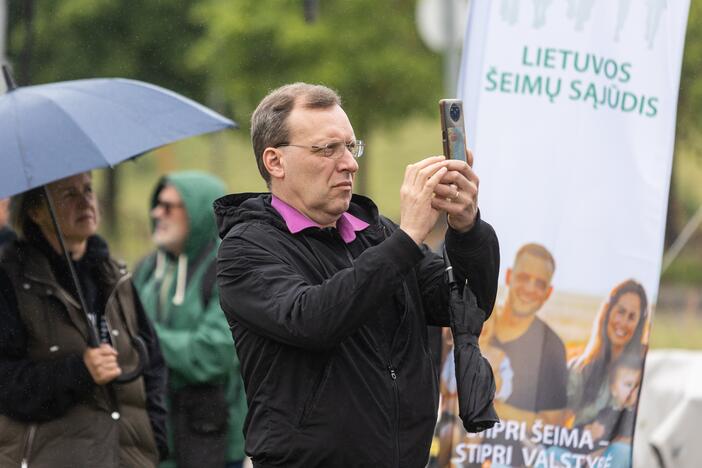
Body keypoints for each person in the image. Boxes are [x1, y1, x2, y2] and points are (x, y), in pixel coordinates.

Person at [214, 82, 500, 467]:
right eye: (326, 149)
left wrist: (467, 229)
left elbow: (466, 304)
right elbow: (313, 320)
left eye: (350, 147)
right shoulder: (245, 247)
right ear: (275, 161)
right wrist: (409, 236)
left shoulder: (375, 233)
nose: (349, 163)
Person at [0, 172, 168, 467]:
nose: (85, 201)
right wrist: (79, 370)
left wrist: (155, 438)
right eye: (69, 194)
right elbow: (6, 384)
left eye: (88, 190)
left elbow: (151, 362)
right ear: (36, 211)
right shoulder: (10, 279)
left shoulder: (114, 275)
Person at [133, 171, 247, 468]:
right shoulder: (147, 270)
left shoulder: (227, 269)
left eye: (169, 206)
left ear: (198, 212)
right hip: (156, 443)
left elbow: (213, 353)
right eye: (157, 204)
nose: (157, 213)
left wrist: (144, 340)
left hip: (213, 445)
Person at [491, 243, 568, 427]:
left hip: (516, 452)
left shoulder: (552, 347)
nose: (529, 288)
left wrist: (493, 409)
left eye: (540, 283)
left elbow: (551, 424)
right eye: (523, 277)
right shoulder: (478, 323)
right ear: (509, 277)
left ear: (548, 293)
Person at [568, 279, 649, 427]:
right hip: (580, 445)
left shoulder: (645, 365)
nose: (623, 322)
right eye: (620, 312)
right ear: (607, 312)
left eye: (632, 317)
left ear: (639, 324)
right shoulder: (580, 367)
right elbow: (554, 419)